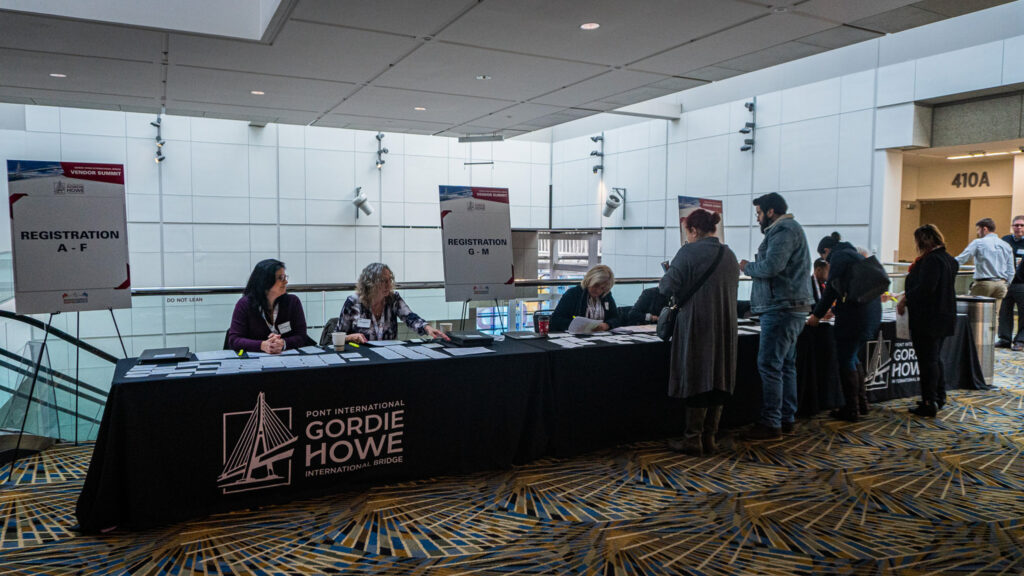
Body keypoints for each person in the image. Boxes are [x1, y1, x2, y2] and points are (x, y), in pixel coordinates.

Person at [659, 209, 739, 456]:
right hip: (725, 323)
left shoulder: (688, 252)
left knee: (696, 377)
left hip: (696, 323)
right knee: (719, 377)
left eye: (688, 233)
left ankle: (692, 439)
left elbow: (666, 287)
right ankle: (710, 438)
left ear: (693, 230)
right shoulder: (729, 254)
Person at [739, 192, 813, 440]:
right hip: (790, 306)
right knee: (786, 365)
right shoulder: (792, 229)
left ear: (771, 212)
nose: (757, 218)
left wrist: (746, 267)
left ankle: (772, 423)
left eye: (759, 213)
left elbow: (771, 266)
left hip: (781, 307)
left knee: (770, 365)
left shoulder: (783, 231)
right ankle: (786, 418)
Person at [806, 232, 881, 421]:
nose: (825, 262)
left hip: (855, 319)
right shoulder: (853, 255)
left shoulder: (839, 257)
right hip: (870, 313)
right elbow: (849, 290)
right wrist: (836, 311)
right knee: (853, 357)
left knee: (846, 359)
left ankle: (851, 408)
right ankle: (862, 403)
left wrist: (817, 315)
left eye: (823, 257)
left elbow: (832, 288)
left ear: (826, 251)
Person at [898, 224, 959, 417]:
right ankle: (938, 397)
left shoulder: (932, 261)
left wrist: (906, 298)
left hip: (928, 319)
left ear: (924, 240)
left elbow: (926, 289)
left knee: (927, 361)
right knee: (935, 359)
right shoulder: (950, 260)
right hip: (944, 316)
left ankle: (928, 401)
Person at [337, 263, 449, 343]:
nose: (388, 285)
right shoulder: (353, 302)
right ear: (370, 283)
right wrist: (350, 337)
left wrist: (427, 328)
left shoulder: (393, 298)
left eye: (389, 280)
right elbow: (337, 336)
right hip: (362, 356)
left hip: (388, 355)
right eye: (383, 281)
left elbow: (410, 317)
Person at [228, 259, 313, 353]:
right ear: (265, 281)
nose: (286, 282)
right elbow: (234, 340)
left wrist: (283, 343)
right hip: (255, 361)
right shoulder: (245, 304)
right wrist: (262, 345)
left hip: (288, 360)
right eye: (281, 278)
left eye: (285, 277)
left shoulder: (292, 302)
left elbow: (301, 336)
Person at [955, 217, 1013, 306]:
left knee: (974, 312)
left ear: (984, 229)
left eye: (978, 230)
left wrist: (948, 264)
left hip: (984, 283)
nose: (978, 233)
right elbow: (1011, 270)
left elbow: (962, 258)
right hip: (1001, 284)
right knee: (994, 315)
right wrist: (1006, 284)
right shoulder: (1006, 245)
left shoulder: (978, 243)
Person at [549, 264, 621, 332]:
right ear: (589, 280)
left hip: (599, 337)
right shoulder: (573, 294)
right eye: (595, 285)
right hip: (575, 337)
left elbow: (615, 318)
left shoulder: (606, 296)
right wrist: (578, 326)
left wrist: (607, 325)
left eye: (602, 288)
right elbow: (556, 320)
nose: (598, 290)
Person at [998, 215, 1024, 349]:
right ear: (1012, 227)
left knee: (1023, 313)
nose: (1018, 228)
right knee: (1004, 312)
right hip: (1007, 282)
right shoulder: (1005, 240)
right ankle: (1004, 338)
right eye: (1016, 225)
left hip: (1022, 283)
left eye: (1021, 225)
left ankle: (1020, 340)